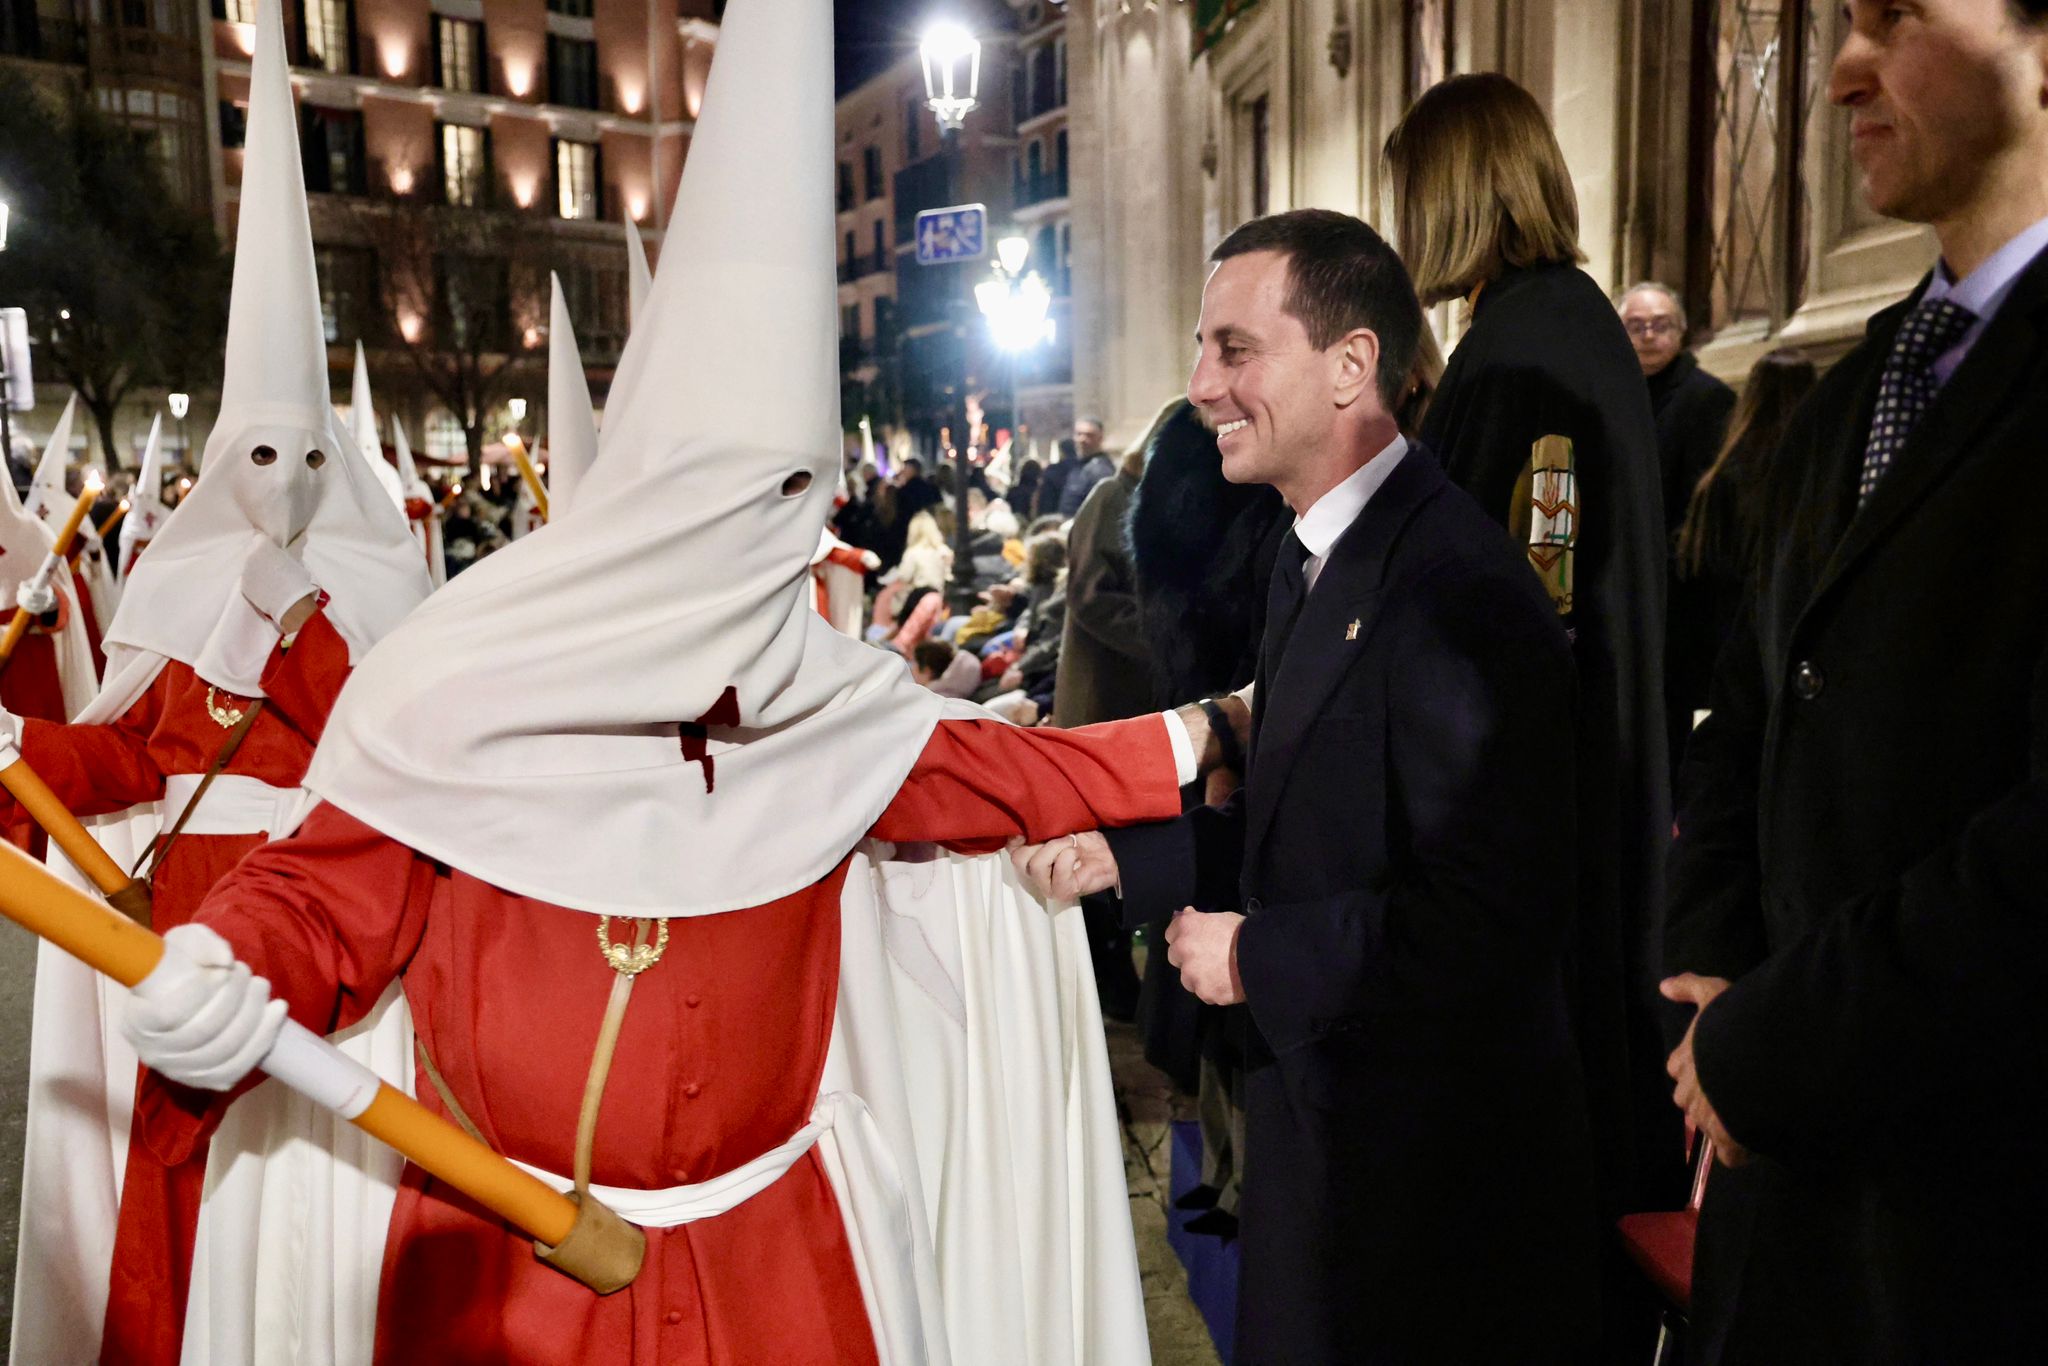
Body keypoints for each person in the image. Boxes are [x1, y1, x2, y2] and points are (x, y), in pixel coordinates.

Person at [111, 1, 1231, 1357]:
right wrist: (228, 957)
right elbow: (321, 898)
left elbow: (1004, 772)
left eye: (797, 497)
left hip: (785, 1263)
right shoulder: (452, 699)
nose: (771, 545)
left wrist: (1221, 729)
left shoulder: (825, 709)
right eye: (741, 501)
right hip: (503, 1265)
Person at [1020, 208, 1599, 1363]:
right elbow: (1307, 822)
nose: (1196, 384)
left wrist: (1251, 958)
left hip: (1417, 1208)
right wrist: (1124, 861)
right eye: (1201, 348)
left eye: (1234, 350)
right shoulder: (1306, 555)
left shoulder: (1453, 591)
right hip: (1330, 1157)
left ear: (1350, 367)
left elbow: (1490, 919)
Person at [2, 8, 431, 1358]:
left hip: (344, 918)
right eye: (261, 458)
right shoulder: (179, 587)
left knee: (329, 1175)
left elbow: (383, 742)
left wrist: (305, 618)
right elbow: (135, 758)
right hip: (188, 917)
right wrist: (22, 741)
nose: (289, 489)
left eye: (313, 460)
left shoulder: (383, 593)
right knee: (184, 1172)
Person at [1661, 3, 2048, 1360]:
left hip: (1978, 1203)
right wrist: (1709, 961)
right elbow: (1747, 713)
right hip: (1793, 1197)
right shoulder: (1853, 391)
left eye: (1894, 16)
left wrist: (1782, 1039)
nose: (1835, 74)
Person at [1386, 72, 1679, 1221]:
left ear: (1457, 190)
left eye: (1413, 190)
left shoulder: (1519, 357)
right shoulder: (1560, 324)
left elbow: (1518, 612)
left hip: (1529, 833)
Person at [1125, 399, 1287, 1236]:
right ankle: (1228, 1173)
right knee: (1212, 985)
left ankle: (1242, 1180)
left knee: (1238, 986)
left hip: (1235, 753)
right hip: (1216, 743)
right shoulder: (1212, 461)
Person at [1666, 348, 1816, 786]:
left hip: (1722, 655)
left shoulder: (1721, 477)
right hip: (1788, 654)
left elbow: (1696, 563)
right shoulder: (1816, 474)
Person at [1617, 281, 1739, 773]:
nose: (1649, 336)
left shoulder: (1707, 399)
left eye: (1660, 325)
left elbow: (1703, 510)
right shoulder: (1619, 395)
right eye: (1636, 326)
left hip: (1680, 590)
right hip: (1630, 582)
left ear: (1682, 331)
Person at [1036, 417, 1103, 519]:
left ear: (1100, 438)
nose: (1082, 439)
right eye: (1079, 434)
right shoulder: (1077, 468)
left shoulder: (1101, 470)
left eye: (1089, 435)